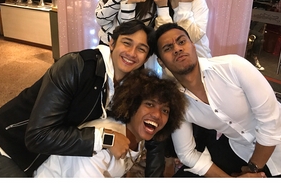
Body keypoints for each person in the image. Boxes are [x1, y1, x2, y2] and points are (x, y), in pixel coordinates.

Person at [0, 20, 162, 177]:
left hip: (50, 159)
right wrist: (106, 139)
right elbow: (38, 136)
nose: (132, 53)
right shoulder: (76, 66)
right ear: (111, 43)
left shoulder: (132, 85)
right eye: (127, 43)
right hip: (7, 147)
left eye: (141, 49)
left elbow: (150, 123)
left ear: (146, 57)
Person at [152, 23, 281, 177]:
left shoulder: (233, 66)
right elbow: (186, 153)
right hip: (240, 148)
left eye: (181, 42)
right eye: (168, 48)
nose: (177, 49)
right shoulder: (177, 101)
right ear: (161, 62)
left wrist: (251, 169)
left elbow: (271, 123)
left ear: (193, 46)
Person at [33, 68, 187, 177]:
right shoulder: (99, 148)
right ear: (132, 104)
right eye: (150, 104)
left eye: (165, 110)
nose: (157, 115)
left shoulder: (136, 136)